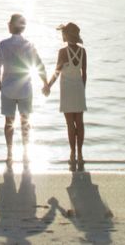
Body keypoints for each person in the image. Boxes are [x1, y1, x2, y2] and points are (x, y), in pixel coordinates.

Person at [0, 13, 46, 162]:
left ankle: (10, 153)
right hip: (25, 89)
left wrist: (0, 85)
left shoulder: (3, 44)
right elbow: (39, 65)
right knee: (25, 122)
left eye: (10, 23)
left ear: (13, 26)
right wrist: (45, 82)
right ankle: (26, 153)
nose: (8, 25)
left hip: (8, 89)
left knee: (9, 122)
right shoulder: (29, 45)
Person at [42, 21, 87, 166]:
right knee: (79, 123)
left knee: (70, 124)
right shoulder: (83, 51)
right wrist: (82, 90)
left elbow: (57, 71)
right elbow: (84, 73)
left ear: (67, 36)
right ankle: (80, 154)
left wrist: (48, 85)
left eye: (63, 33)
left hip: (67, 90)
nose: (62, 35)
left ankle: (72, 154)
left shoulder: (62, 52)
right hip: (79, 89)